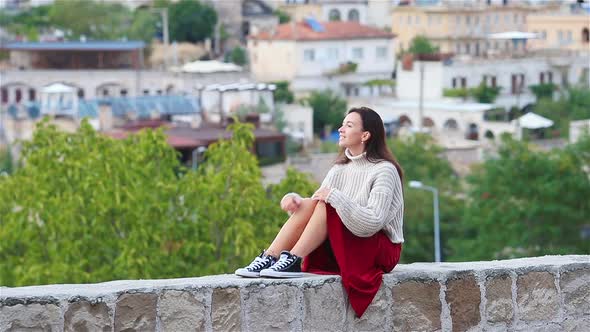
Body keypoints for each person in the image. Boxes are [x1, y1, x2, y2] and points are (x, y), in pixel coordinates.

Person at [235, 106, 404, 317]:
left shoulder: (384, 170)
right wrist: (297, 202)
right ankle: (270, 256)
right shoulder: (339, 169)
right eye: (342, 124)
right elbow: (317, 211)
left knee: (327, 202)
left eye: (348, 125)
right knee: (314, 203)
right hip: (349, 240)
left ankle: (293, 260)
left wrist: (335, 197)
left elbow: (372, 222)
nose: (341, 129)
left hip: (380, 248)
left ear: (365, 135)